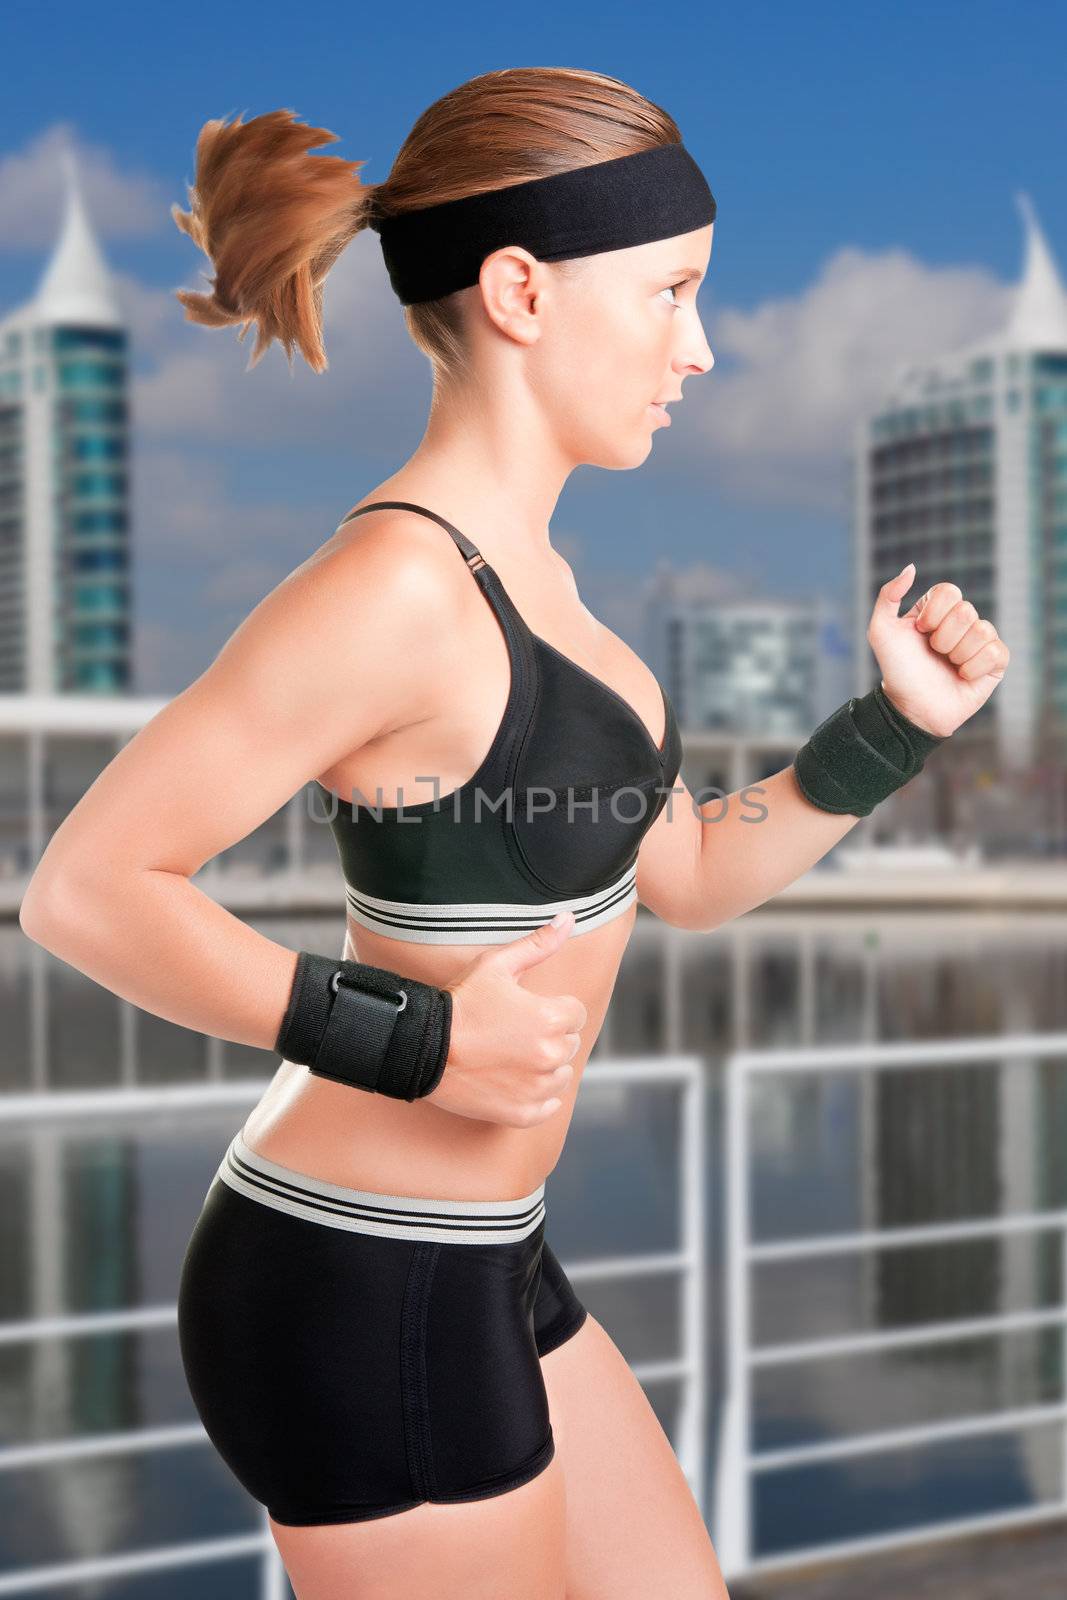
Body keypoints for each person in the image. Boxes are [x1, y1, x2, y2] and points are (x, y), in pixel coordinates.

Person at [18, 66, 1009, 1600]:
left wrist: (891, 732)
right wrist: (416, 1040)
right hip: (353, 1272)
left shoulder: (555, 600)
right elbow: (86, 891)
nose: (702, 346)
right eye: (672, 292)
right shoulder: (396, 593)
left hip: (491, 1260)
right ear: (522, 291)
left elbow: (684, 875)